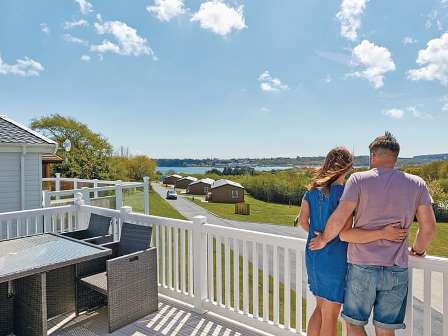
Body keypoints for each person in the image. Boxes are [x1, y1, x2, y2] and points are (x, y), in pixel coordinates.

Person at [309, 132, 437, 336]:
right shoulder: (417, 183)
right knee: (385, 330)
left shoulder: (358, 180)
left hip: (362, 267)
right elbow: (429, 228)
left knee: (354, 324)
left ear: (372, 156)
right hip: (397, 269)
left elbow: (340, 220)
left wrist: (324, 238)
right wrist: (418, 250)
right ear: (395, 157)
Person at [296, 147, 408, 336]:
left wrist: (316, 235)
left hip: (314, 254)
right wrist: (327, 238)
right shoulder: (344, 192)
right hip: (336, 257)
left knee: (320, 307)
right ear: (348, 166)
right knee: (330, 314)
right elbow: (344, 227)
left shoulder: (312, 190)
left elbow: (302, 220)